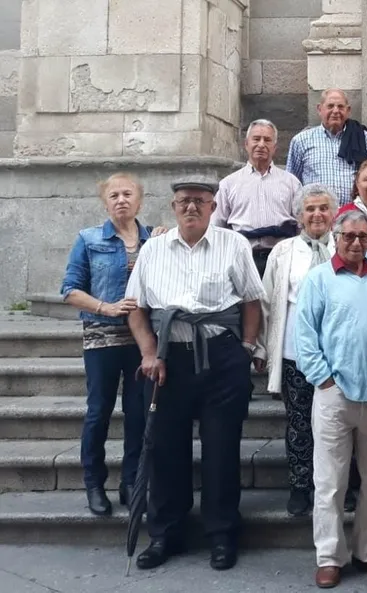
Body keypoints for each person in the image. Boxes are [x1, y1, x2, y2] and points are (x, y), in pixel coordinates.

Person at [126, 176, 266, 572]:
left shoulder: (233, 245)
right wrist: (149, 353)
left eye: (200, 201)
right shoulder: (153, 250)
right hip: (168, 361)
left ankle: (222, 535)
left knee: (222, 451)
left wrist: (245, 348)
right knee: (166, 450)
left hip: (221, 358)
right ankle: (165, 534)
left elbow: (252, 300)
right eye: (184, 201)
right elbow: (136, 308)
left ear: (213, 207)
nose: (191, 207)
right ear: (173, 207)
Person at [295, 209, 367, 589]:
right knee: (330, 481)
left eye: (363, 237)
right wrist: (323, 380)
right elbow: (304, 335)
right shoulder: (319, 279)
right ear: (336, 237)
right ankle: (330, 556)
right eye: (349, 236)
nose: (356, 243)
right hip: (334, 393)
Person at [60, 173, 149, 517]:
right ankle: (94, 483)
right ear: (105, 201)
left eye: (128, 194)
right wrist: (105, 307)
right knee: (98, 412)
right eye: (114, 195)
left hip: (141, 341)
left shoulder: (154, 239)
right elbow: (70, 289)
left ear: (139, 201)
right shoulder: (89, 238)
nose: (121, 200)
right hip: (101, 339)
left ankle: (130, 482)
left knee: (137, 414)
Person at [260, 184, 338, 517]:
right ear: (299, 215)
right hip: (295, 349)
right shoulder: (284, 251)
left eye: (323, 208)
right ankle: (300, 485)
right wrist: (263, 348)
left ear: (333, 214)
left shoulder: (347, 245)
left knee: (338, 421)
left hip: (338, 350)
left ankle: (338, 484)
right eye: (310, 209)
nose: (317, 214)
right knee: (299, 420)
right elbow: (266, 299)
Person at [212, 119, 302, 276]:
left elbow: (301, 224)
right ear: (246, 144)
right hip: (242, 257)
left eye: (267, 140)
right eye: (256, 139)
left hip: (283, 257)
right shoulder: (228, 183)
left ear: (275, 147)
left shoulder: (291, 182)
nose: (261, 144)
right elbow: (217, 226)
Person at [287, 89, 367, 207]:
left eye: (340, 106)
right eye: (330, 106)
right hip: (317, 216)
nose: (335, 111)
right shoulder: (301, 141)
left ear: (348, 110)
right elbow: (291, 183)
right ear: (320, 109)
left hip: (353, 216)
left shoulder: (363, 138)